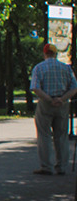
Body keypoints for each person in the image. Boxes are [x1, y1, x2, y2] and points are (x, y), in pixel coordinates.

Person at [30, 43, 77, 175]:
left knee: (44, 135)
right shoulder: (66, 68)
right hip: (62, 104)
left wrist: (49, 99)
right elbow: (74, 87)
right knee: (61, 135)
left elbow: (35, 88)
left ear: (44, 53)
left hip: (45, 103)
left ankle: (46, 166)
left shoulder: (39, 68)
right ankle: (61, 166)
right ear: (56, 54)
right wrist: (61, 99)